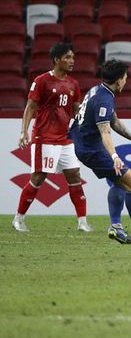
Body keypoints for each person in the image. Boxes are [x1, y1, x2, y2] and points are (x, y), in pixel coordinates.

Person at [71, 60, 131, 244]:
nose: (126, 81)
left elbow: (113, 121)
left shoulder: (99, 90)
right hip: (92, 150)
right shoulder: (104, 98)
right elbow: (105, 131)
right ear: (119, 80)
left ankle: (116, 227)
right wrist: (114, 156)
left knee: (120, 183)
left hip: (84, 145)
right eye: (125, 78)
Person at [13, 43, 89, 233]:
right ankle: (18, 219)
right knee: (39, 177)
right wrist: (24, 131)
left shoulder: (74, 84)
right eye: (68, 57)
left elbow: (75, 110)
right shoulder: (42, 81)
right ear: (57, 59)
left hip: (65, 139)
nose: (72, 61)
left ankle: (82, 222)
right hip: (44, 137)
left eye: (73, 57)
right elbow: (30, 107)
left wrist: (84, 113)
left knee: (75, 176)